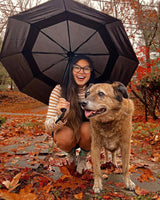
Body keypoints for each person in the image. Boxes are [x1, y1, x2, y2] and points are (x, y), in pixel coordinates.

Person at [45, 55, 95, 173]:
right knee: (64, 139)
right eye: (77, 67)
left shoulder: (95, 91)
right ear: (71, 70)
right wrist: (61, 116)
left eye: (86, 68)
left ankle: (82, 156)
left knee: (89, 130)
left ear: (91, 72)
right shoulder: (59, 90)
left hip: (85, 131)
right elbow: (47, 126)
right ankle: (71, 154)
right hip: (67, 130)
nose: (81, 72)